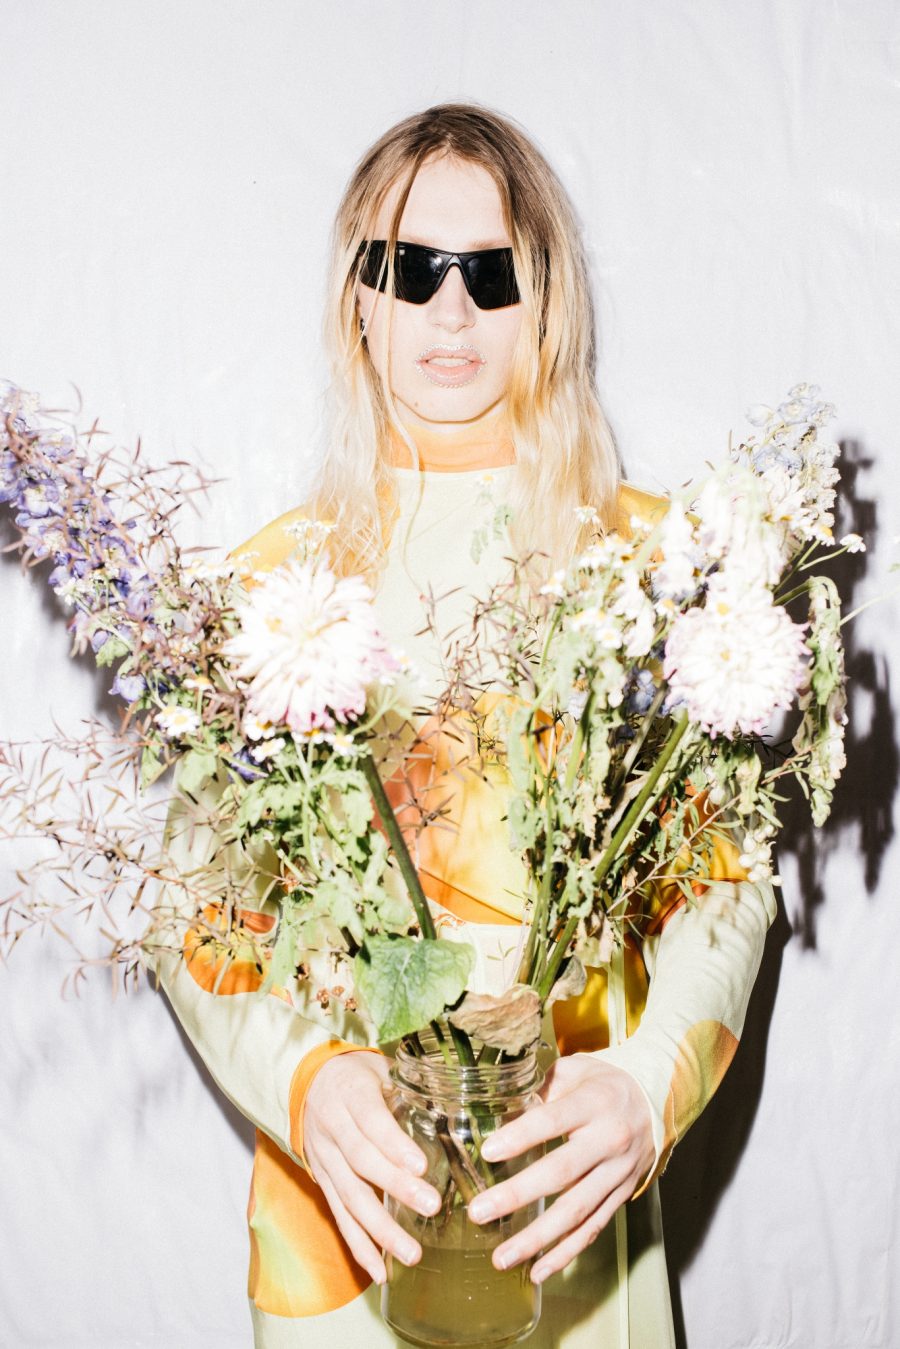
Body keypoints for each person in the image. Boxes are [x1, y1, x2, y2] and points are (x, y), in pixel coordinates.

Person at [148, 103, 775, 1348]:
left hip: (563, 1199)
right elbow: (189, 911)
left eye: (487, 273)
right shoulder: (272, 589)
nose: (449, 310)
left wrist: (651, 1089)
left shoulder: (648, 564)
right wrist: (303, 1081)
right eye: (410, 268)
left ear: (542, 298)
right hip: (353, 1218)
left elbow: (728, 883)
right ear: (357, 301)